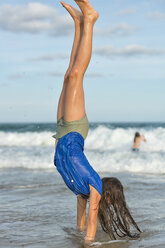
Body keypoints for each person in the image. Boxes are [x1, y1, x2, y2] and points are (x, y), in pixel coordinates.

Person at [53, 0, 141, 244]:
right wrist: (88, 242)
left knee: (68, 75)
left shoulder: (83, 192)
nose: (100, 203)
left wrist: (79, 235)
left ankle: (79, 24)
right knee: (76, 75)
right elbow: (91, 222)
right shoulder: (93, 188)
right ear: (108, 196)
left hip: (63, 131)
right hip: (74, 131)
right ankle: (90, 19)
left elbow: (81, 221)